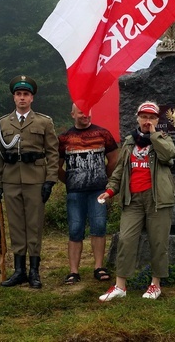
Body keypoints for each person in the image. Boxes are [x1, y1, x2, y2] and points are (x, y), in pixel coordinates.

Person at [97, 101, 175, 302]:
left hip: (157, 199)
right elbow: (119, 170)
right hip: (132, 199)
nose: (147, 121)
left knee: (158, 242)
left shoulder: (163, 139)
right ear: (138, 118)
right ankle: (120, 286)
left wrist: (154, 135)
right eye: (144, 117)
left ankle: (155, 285)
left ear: (157, 120)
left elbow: (169, 155)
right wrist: (109, 191)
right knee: (125, 240)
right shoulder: (129, 142)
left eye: (151, 117)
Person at [0, 75, 59, 289]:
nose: (22, 98)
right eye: (19, 94)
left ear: (32, 98)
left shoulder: (44, 122)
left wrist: (50, 180)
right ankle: (19, 270)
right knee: (16, 226)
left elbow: (52, 153)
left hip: (35, 180)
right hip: (12, 180)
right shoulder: (2, 123)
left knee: (34, 224)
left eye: (26, 94)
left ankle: (34, 271)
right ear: (14, 98)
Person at [58, 104, 119, 284]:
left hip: (98, 191)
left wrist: (103, 176)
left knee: (99, 227)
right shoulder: (64, 138)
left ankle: (99, 267)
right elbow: (56, 165)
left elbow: (114, 158)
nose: (86, 114)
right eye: (81, 111)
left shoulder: (103, 134)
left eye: (88, 110)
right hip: (75, 192)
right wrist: (69, 181)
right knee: (75, 230)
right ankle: (73, 271)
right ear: (73, 114)